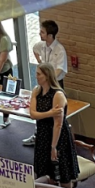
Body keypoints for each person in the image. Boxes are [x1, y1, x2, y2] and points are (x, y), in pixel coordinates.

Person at [28, 63, 78, 188]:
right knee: (47, 171)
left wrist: (53, 147)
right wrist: (50, 113)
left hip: (57, 137)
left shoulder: (58, 95)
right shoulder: (36, 91)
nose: (36, 76)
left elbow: (58, 124)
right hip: (42, 134)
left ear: (47, 76)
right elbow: (33, 114)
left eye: (39, 74)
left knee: (63, 172)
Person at [23, 20, 67, 148]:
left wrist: (49, 78)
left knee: (56, 113)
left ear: (50, 35)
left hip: (55, 83)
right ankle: (38, 134)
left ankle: (56, 141)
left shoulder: (60, 50)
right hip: (44, 83)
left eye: (42, 32)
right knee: (41, 109)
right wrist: (40, 63)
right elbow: (34, 49)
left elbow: (60, 69)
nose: (39, 34)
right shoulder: (41, 45)